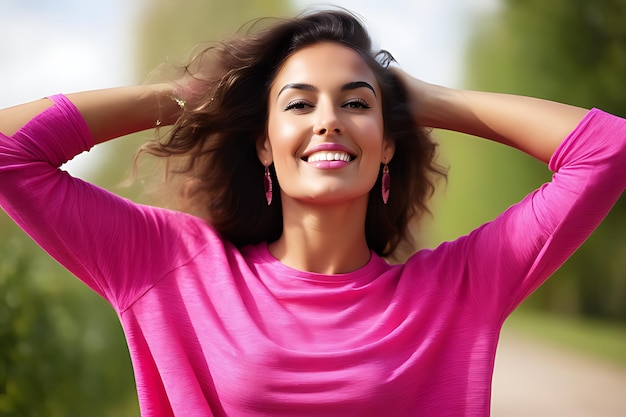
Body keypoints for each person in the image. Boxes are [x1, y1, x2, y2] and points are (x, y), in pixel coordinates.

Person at [0, 8, 624, 417]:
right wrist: (195, 97)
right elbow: (10, 152)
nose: (328, 118)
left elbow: (606, 149)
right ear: (265, 145)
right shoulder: (174, 264)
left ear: (386, 147)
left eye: (356, 103)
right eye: (299, 105)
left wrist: (423, 98)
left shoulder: (457, 288)